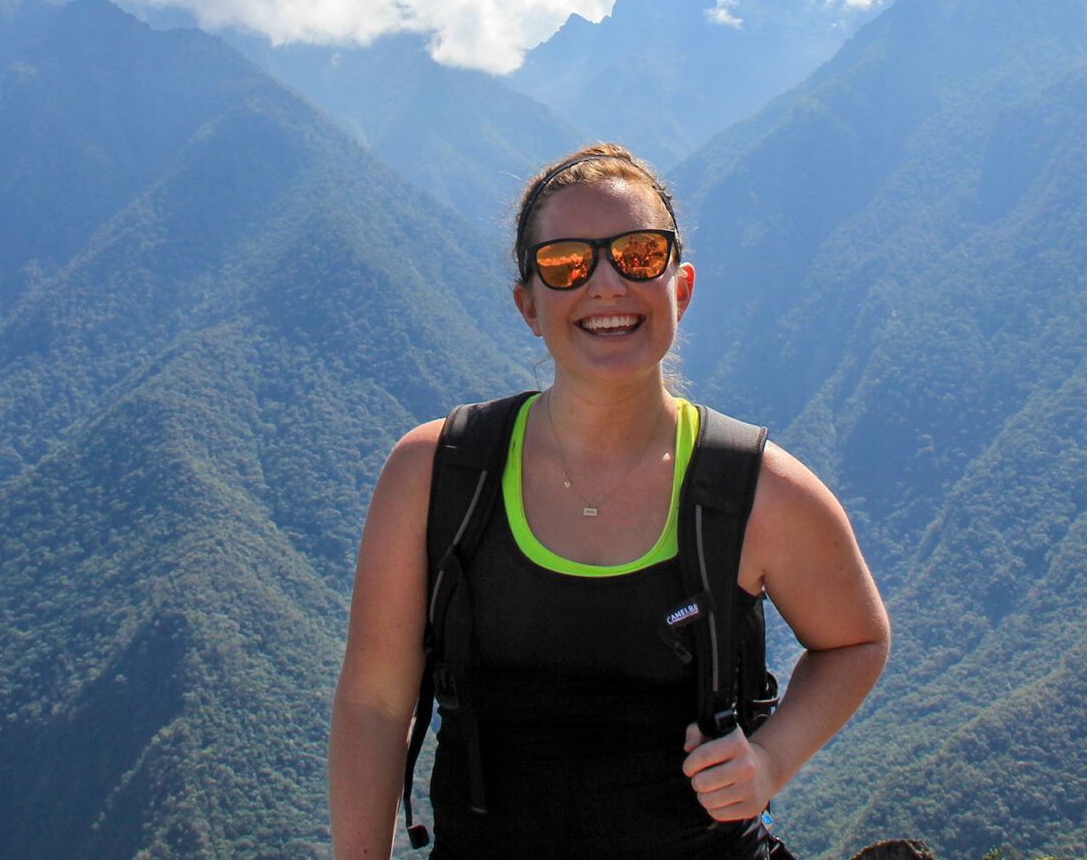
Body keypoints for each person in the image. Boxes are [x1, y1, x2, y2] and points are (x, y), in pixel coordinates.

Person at [329, 144, 889, 858]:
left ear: (680, 288)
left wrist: (773, 760)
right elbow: (376, 703)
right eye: (567, 264)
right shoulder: (438, 474)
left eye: (637, 254)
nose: (606, 285)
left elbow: (858, 640)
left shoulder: (755, 491)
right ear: (528, 305)